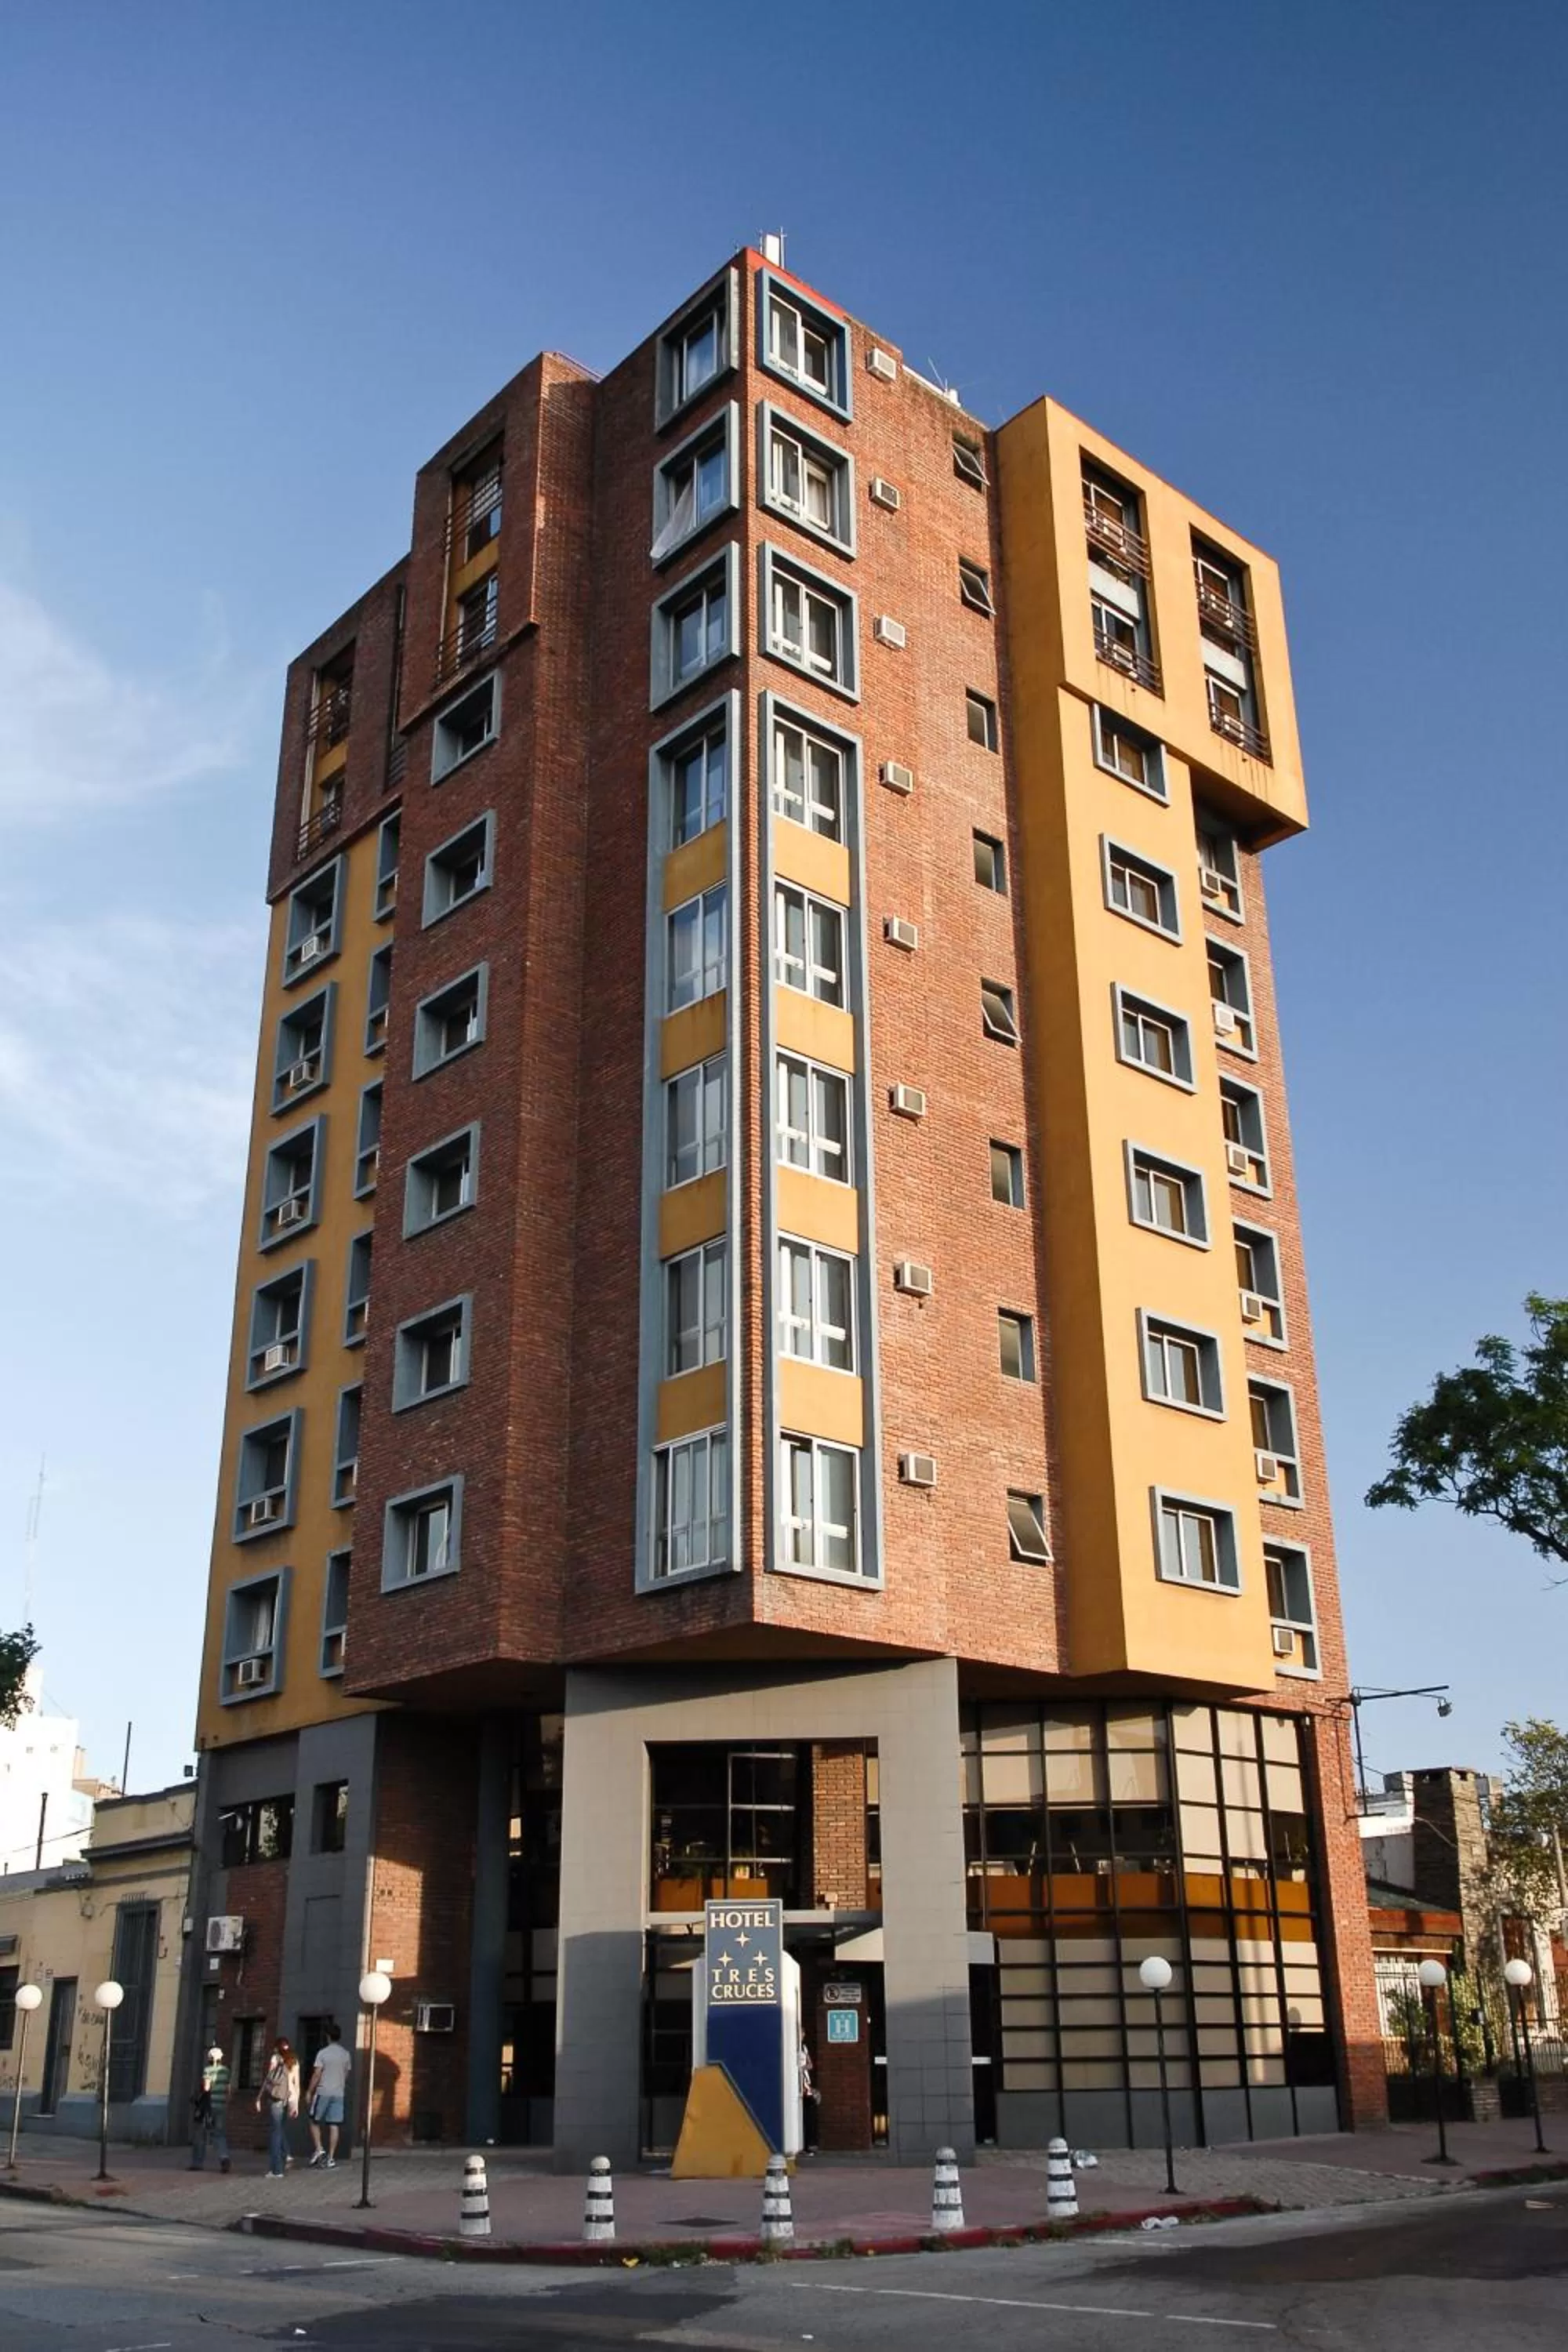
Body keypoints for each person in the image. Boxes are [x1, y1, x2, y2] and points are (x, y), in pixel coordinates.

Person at [305, 2022, 352, 2169]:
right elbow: (346, 2074)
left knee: (313, 2120)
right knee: (334, 2125)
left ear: (327, 2036)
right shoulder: (345, 2054)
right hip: (339, 2093)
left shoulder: (323, 2053)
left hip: (323, 2091)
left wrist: (309, 2091)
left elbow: (317, 2074)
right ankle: (331, 2158)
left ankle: (319, 2149)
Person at [256, 2036, 299, 2178]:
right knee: (280, 2130)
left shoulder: (275, 2058)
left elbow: (268, 2079)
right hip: (289, 2098)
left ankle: (277, 2170)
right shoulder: (294, 2060)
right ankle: (284, 2157)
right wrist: (296, 2104)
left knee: (275, 2134)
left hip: (276, 2098)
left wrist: (258, 2098)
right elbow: (297, 2084)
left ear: (277, 2047)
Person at [188, 2043, 231, 2172]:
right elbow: (229, 2090)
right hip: (221, 2105)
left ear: (210, 2058)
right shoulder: (226, 2071)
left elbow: (206, 2088)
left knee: (200, 2134)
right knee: (219, 2134)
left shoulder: (207, 2070)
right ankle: (224, 2157)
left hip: (208, 2106)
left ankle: (197, 2163)